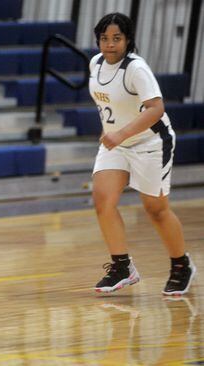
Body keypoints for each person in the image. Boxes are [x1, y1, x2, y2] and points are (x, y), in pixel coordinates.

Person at [90, 13, 196, 295]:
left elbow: (156, 108)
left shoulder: (136, 69)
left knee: (155, 209)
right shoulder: (96, 64)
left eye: (116, 39)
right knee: (102, 199)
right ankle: (123, 266)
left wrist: (121, 133)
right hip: (117, 144)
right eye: (104, 38)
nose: (110, 44)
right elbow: (111, 102)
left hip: (151, 143)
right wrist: (109, 129)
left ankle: (181, 265)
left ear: (128, 40)